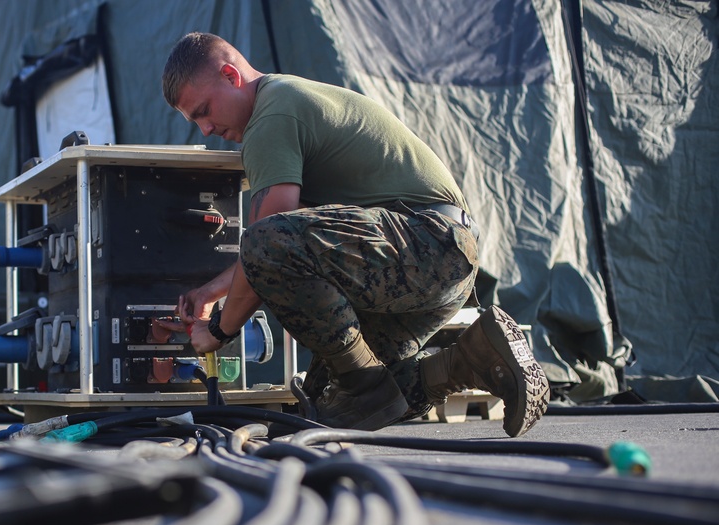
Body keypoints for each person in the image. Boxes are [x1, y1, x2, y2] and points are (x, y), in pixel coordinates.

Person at [159, 32, 549, 436]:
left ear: (230, 75)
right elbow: (277, 249)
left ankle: (365, 386)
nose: (205, 129)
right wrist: (211, 293)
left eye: (204, 111)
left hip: (425, 243)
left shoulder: (270, 116)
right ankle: (477, 358)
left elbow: (267, 241)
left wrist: (220, 330)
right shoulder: (286, 97)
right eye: (195, 121)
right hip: (439, 258)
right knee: (338, 405)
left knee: (266, 244)